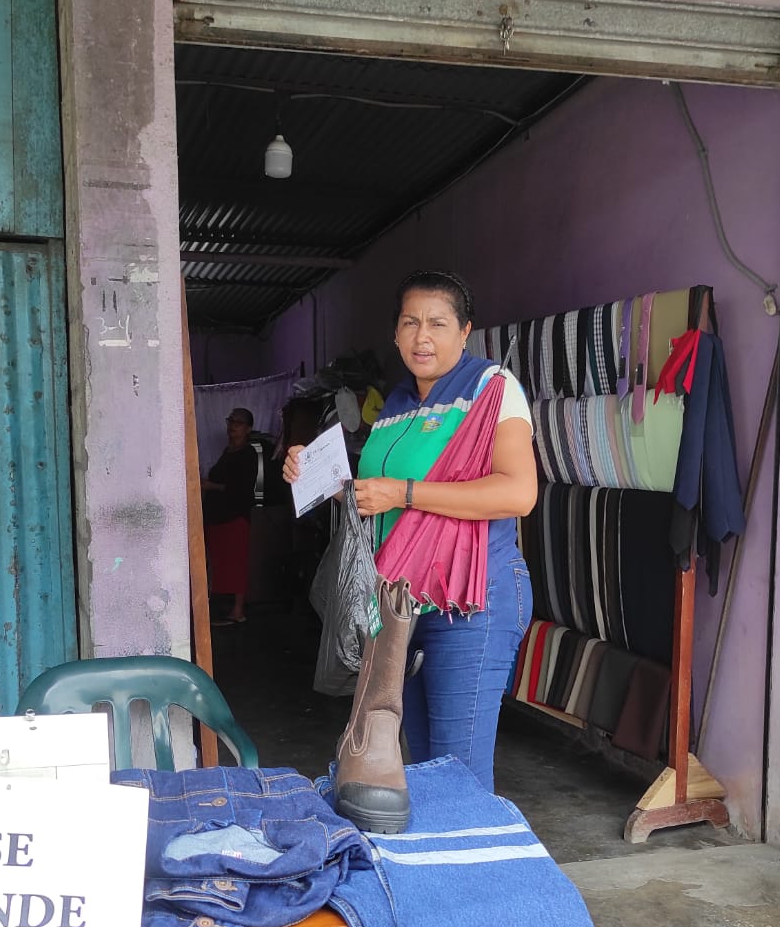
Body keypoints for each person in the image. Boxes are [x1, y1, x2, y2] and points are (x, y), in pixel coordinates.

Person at [285, 270, 536, 792]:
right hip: (402, 605)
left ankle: (471, 848)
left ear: (464, 332)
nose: (423, 337)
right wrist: (316, 476)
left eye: (438, 324)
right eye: (410, 323)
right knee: (419, 767)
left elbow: (518, 493)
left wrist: (404, 493)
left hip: (472, 598)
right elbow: (375, 498)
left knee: (459, 774)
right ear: (396, 333)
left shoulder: (491, 387)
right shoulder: (394, 405)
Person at [202, 407, 258, 625]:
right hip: (217, 517)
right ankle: (219, 607)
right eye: (230, 421)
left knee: (236, 563)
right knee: (218, 564)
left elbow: (241, 488)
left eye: (238, 422)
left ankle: (238, 610)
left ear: (248, 429)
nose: (232, 426)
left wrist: (211, 486)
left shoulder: (248, 454)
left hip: (235, 517)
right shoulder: (228, 451)